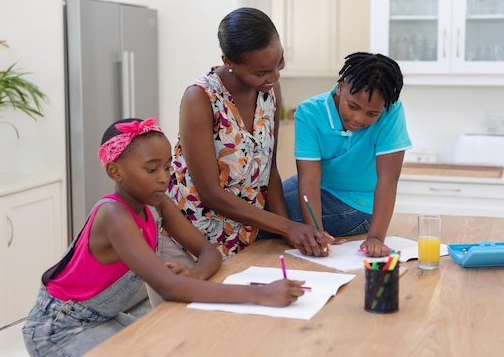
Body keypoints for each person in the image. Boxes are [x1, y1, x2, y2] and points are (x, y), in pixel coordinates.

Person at [22, 117, 306, 357]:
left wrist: (192, 277)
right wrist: (260, 293)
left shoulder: (158, 205)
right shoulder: (113, 215)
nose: (163, 177)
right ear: (115, 171)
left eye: (168, 167)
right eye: (151, 169)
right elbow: (170, 288)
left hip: (100, 319)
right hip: (60, 329)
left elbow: (210, 253)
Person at [167, 7, 334, 258]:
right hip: (189, 241)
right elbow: (210, 192)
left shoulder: (271, 91)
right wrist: (288, 227)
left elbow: (270, 170)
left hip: (242, 241)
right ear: (229, 62)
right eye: (261, 72)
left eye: (279, 63)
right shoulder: (200, 98)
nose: (275, 76)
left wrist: (293, 237)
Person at [282, 52, 412, 257]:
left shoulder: (392, 112)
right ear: (341, 87)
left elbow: (388, 179)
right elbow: (309, 180)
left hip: (357, 203)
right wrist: (316, 231)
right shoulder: (309, 112)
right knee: (260, 206)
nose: (358, 119)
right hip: (320, 183)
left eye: (372, 114)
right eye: (353, 106)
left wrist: (375, 237)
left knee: (266, 220)